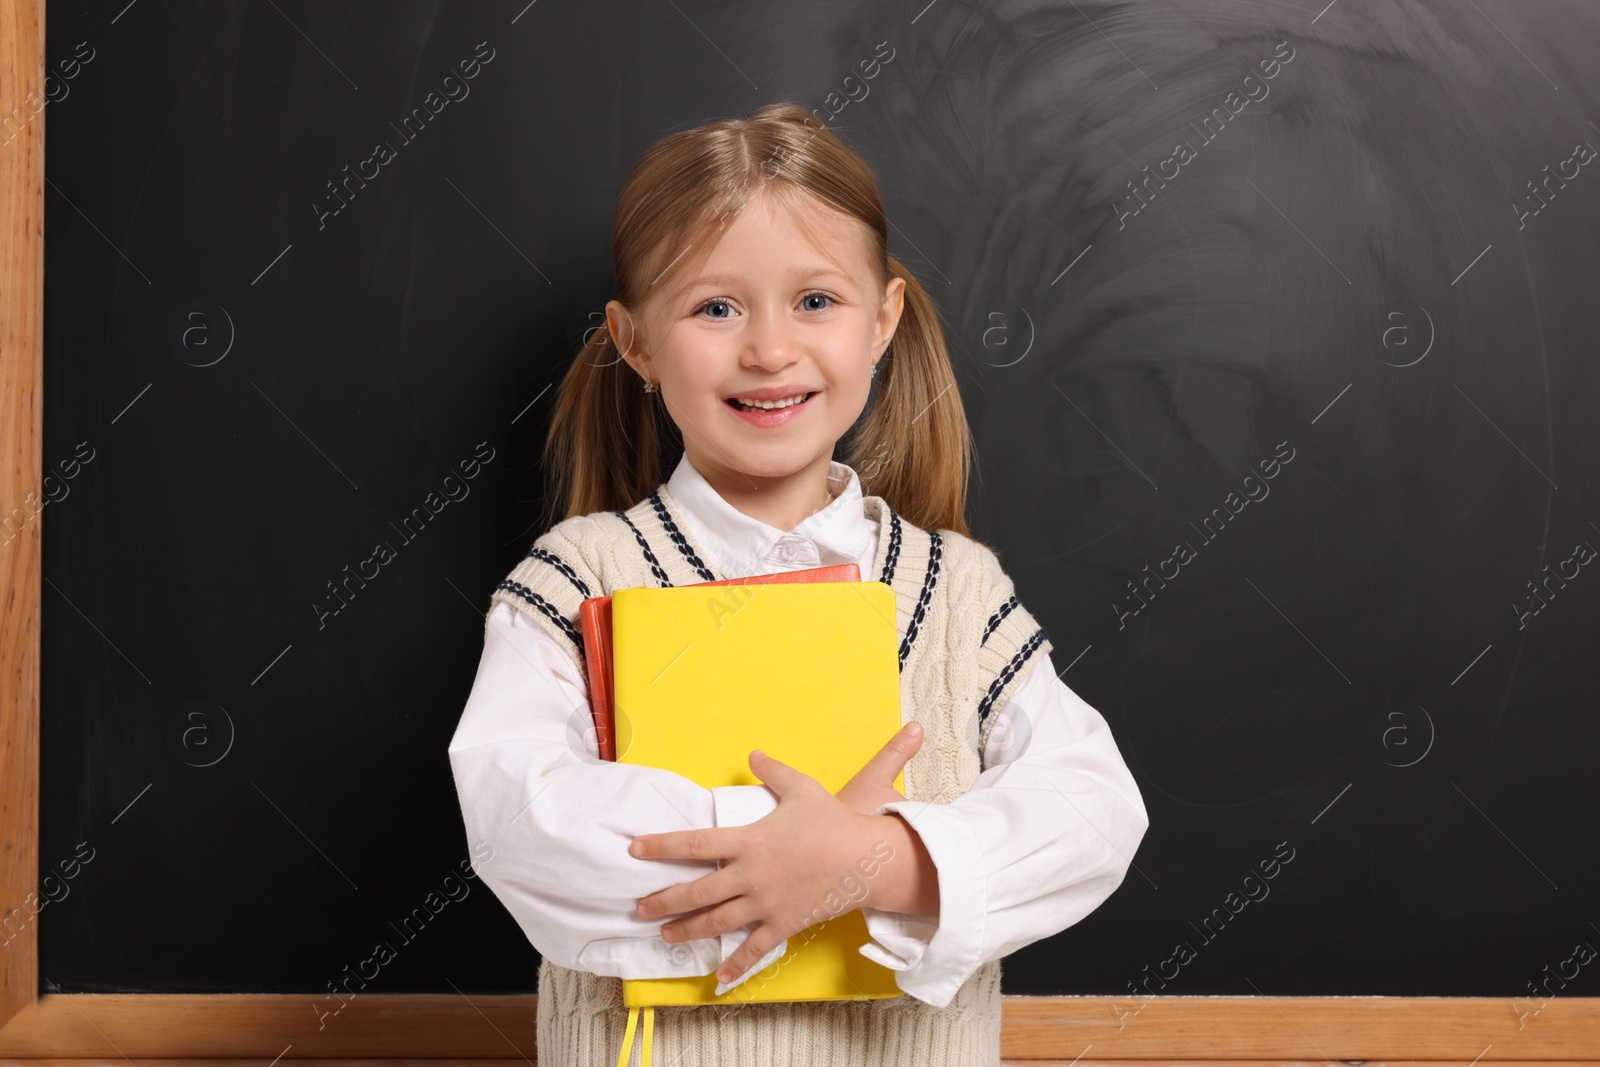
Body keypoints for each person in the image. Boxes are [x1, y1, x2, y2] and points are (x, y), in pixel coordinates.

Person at [448, 101, 1149, 1067]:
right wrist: (769, 847)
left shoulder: (958, 592)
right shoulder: (575, 579)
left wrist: (871, 861)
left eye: (815, 301)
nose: (769, 350)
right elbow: (517, 816)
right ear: (635, 342)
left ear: (883, 321)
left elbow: (1093, 809)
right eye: (715, 307)